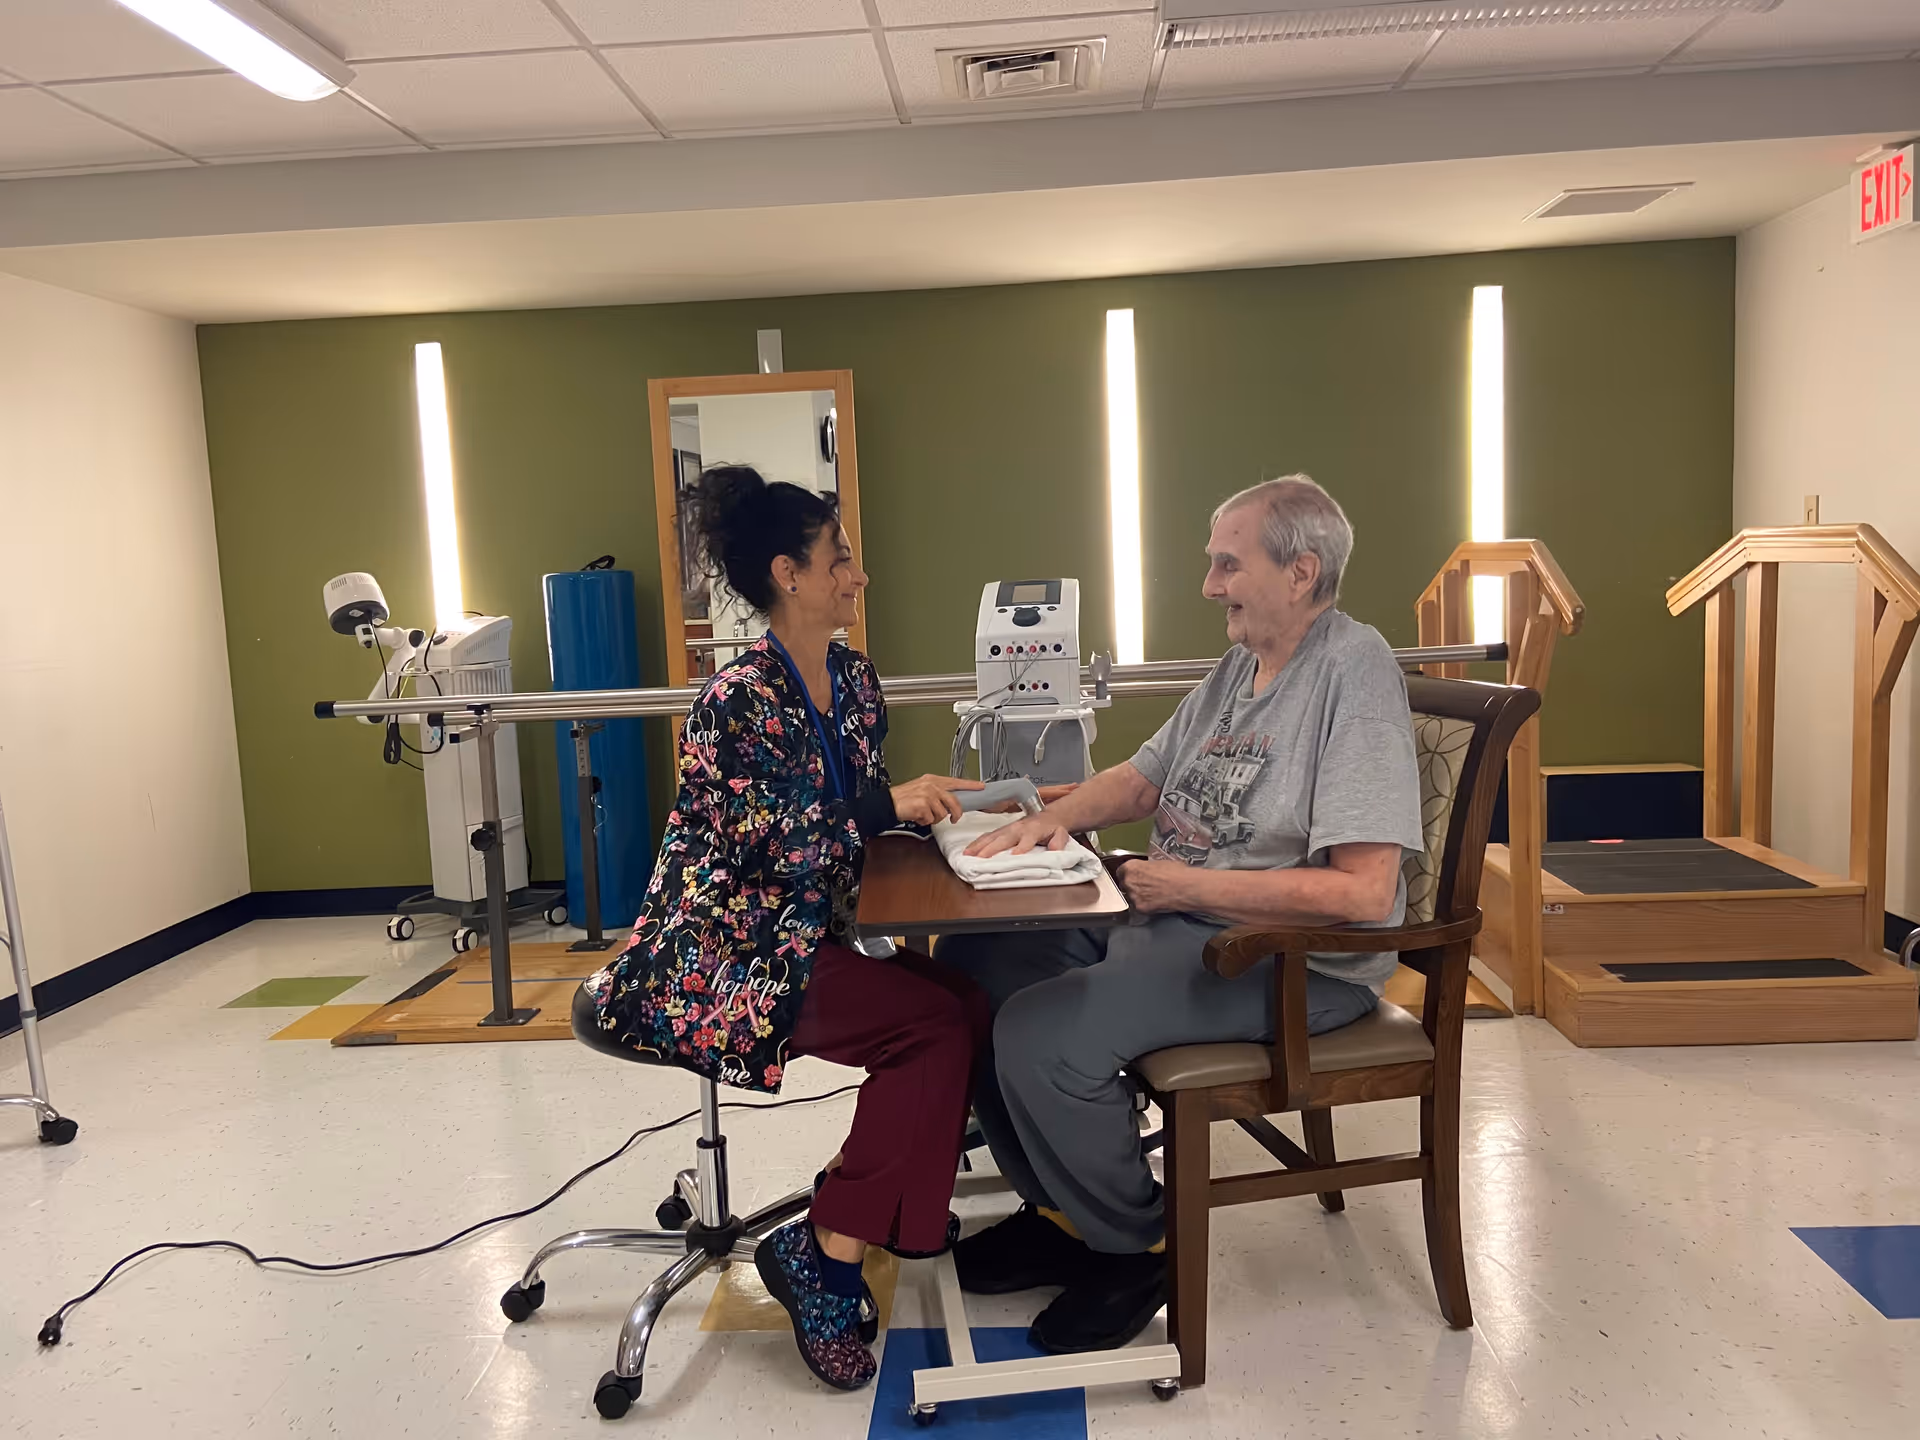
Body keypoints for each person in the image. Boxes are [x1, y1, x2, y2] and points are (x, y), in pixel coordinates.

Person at [936, 475, 1425, 1356]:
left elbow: (1361, 893)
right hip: (1173, 917)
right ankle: (1062, 1213)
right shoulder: (1241, 666)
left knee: (1044, 1034)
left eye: (1227, 565)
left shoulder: (1353, 673)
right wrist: (1051, 819)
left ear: (1302, 571)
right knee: (972, 977)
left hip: (1283, 958)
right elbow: (1144, 776)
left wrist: (1186, 888)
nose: (1210, 585)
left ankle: (1135, 1244)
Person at [583, 465, 989, 1394]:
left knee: (966, 1001)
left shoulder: (854, 681)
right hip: (719, 952)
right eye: (839, 558)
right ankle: (825, 1253)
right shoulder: (732, 703)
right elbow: (768, 841)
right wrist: (888, 802)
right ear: (789, 574)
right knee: (927, 1029)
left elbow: (852, 816)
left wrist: (944, 823)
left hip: (803, 932)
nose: (857, 575)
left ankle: (883, 1207)